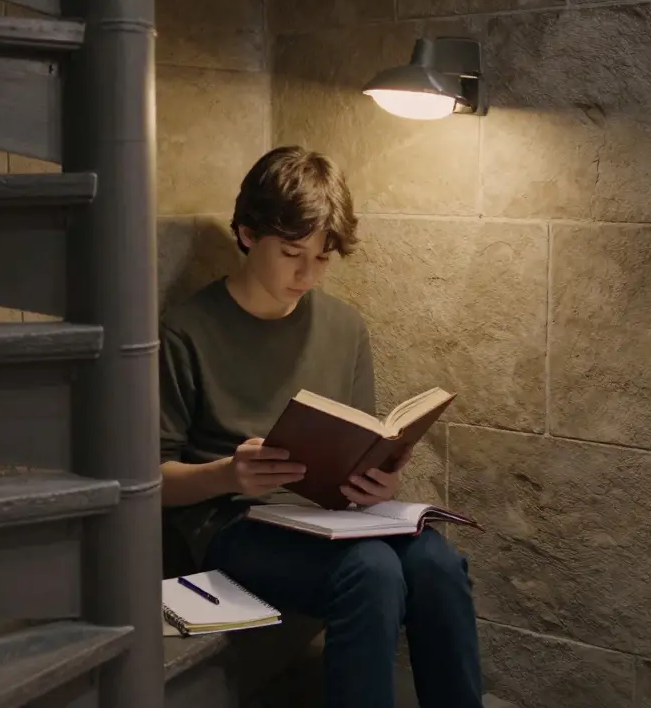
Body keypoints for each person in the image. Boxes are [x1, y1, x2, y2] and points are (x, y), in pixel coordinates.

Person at [158, 145, 483, 708]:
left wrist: (378, 484)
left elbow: (360, 441)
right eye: (291, 253)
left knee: (437, 562)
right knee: (372, 571)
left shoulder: (344, 326)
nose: (307, 274)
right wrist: (230, 473)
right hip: (232, 526)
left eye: (323, 259)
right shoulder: (185, 332)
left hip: (328, 520)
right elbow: (151, 481)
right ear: (245, 233)